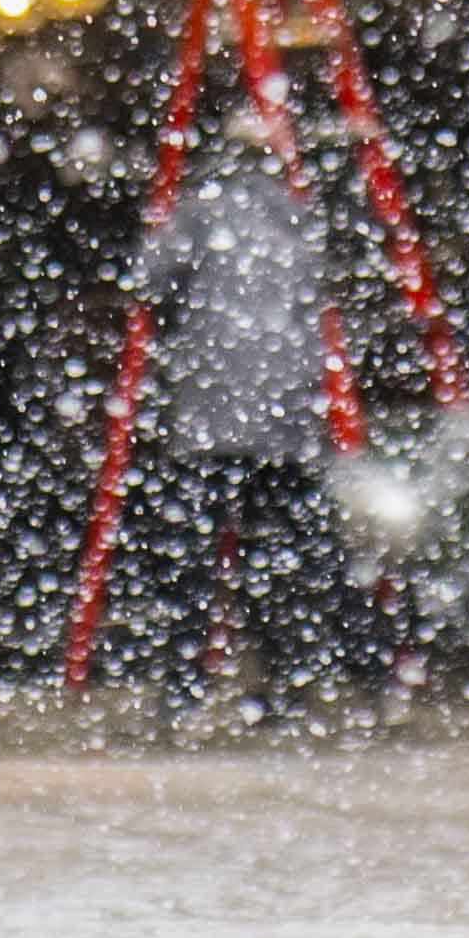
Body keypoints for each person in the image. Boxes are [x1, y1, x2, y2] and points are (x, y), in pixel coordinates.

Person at [115, 102, 357, 701]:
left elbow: (147, 281)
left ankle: (185, 687)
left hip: (209, 417)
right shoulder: (298, 219)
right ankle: (289, 678)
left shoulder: (201, 215)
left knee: (190, 562)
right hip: (287, 420)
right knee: (288, 559)